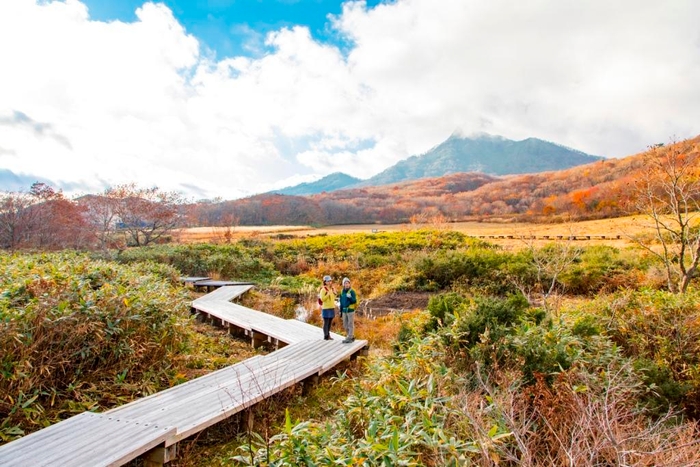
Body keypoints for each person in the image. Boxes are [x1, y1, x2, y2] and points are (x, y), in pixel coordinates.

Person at [339, 277, 357, 343]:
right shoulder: (342, 292)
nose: (347, 284)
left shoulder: (352, 291)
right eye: (345, 283)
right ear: (343, 284)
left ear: (349, 284)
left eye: (348, 283)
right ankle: (350, 336)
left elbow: (354, 301)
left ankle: (350, 337)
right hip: (344, 311)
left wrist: (350, 297)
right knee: (345, 325)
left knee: (350, 324)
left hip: (350, 310)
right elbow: (341, 302)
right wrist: (340, 311)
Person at [318, 275, 337, 340]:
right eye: (328, 281)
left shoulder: (331, 289)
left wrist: (334, 293)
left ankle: (328, 335)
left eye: (330, 281)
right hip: (326, 308)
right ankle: (326, 336)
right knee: (326, 322)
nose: (329, 282)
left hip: (331, 307)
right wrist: (328, 294)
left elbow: (333, 298)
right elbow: (322, 299)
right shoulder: (323, 290)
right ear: (325, 282)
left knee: (330, 322)